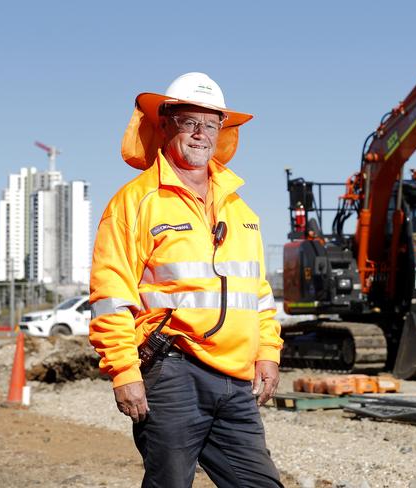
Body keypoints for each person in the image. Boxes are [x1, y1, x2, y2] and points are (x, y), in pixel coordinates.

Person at [89, 72, 284, 487]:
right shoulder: (134, 202)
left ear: (222, 132)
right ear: (166, 125)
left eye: (210, 124)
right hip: (172, 373)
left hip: (236, 380)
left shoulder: (241, 211)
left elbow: (259, 296)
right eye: (189, 122)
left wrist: (268, 352)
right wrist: (124, 372)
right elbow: (110, 296)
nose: (200, 133)